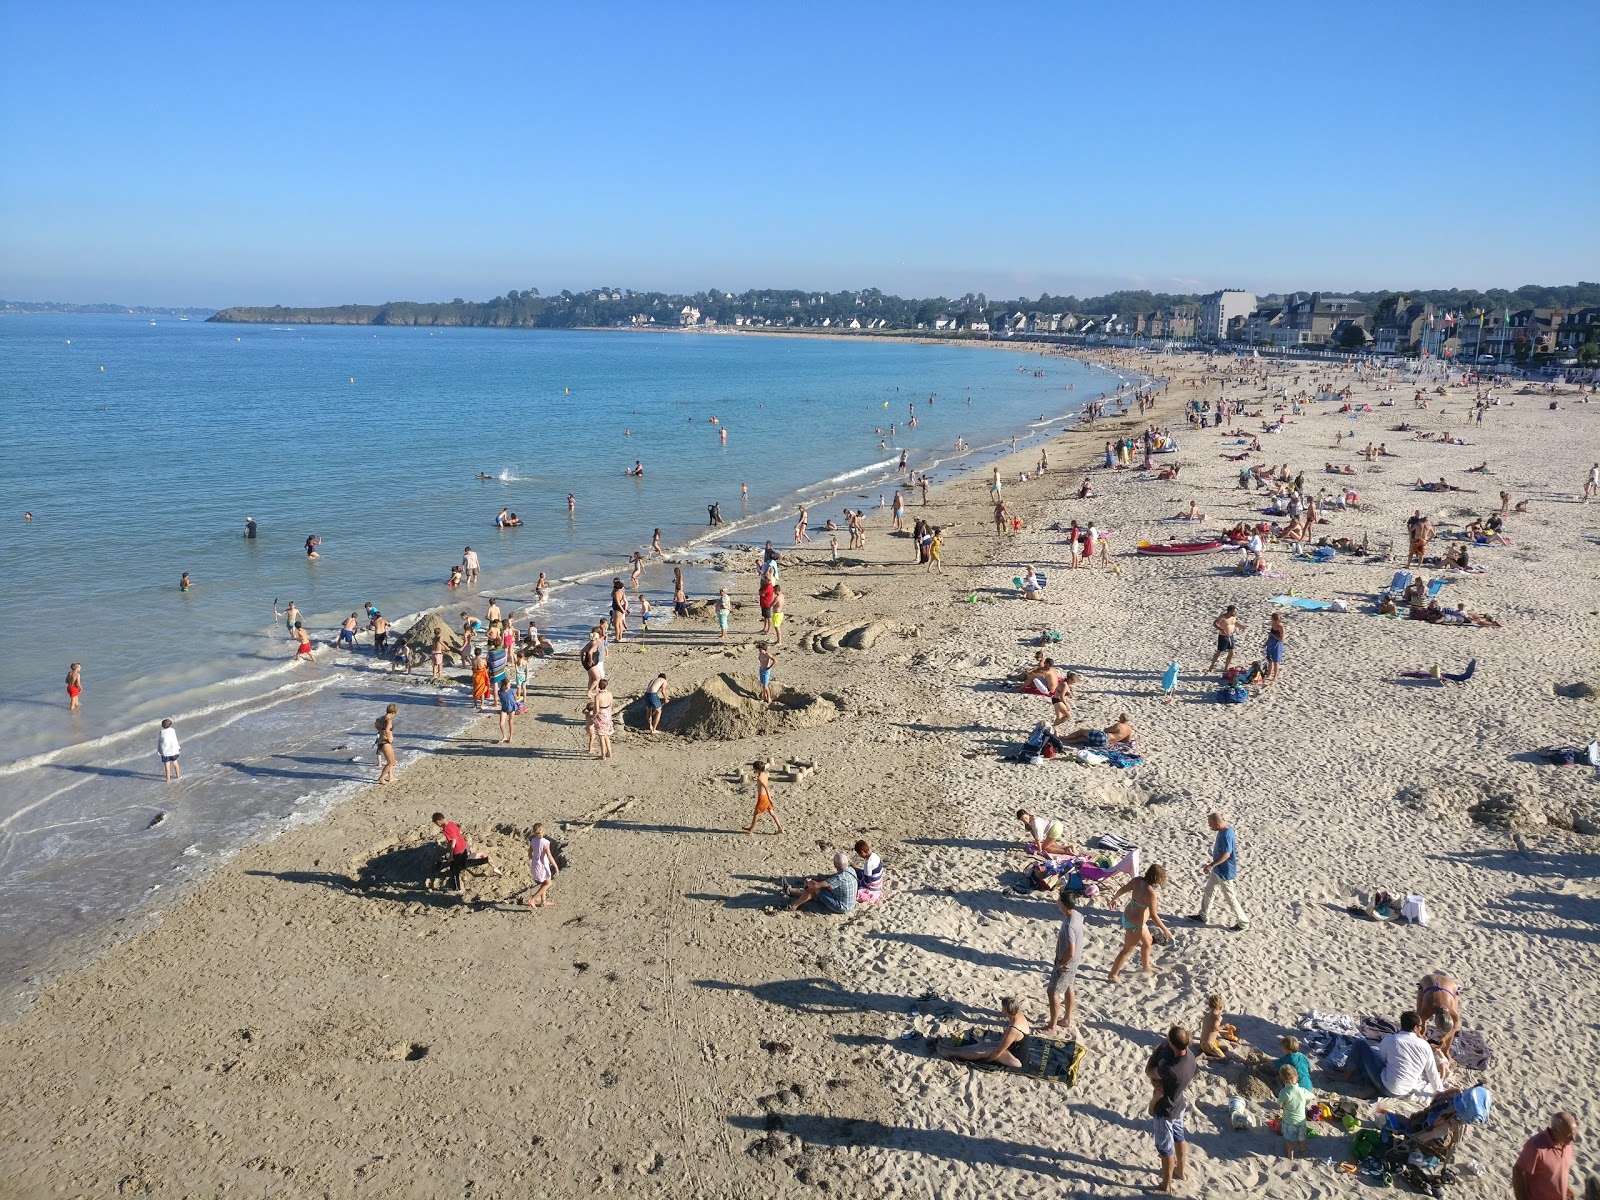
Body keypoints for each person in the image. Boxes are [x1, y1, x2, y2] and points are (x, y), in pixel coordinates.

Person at [1144, 1026, 1199, 1194]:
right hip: (1179, 1103)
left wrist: (1159, 1049)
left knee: (1165, 1148)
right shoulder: (1190, 1056)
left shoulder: (1170, 1070)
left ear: (1171, 1043)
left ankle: (1166, 1185)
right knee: (1179, 1136)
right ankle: (1180, 1171)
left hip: (1166, 1109)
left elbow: (1149, 1070)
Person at [1347, 1010, 1446, 1098]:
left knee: (1360, 1044)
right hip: (1405, 1090)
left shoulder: (1391, 1039)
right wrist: (1440, 1091)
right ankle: (1373, 1088)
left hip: (1386, 1085)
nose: (1421, 1029)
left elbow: (1382, 1060)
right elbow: (1431, 1072)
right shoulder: (1425, 1045)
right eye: (1421, 1026)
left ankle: (1346, 1075)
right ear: (1415, 1028)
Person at [1108, 865, 1172, 982]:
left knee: (1148, 942)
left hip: (1129, 916)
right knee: (1127, 951)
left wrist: (1114, 898)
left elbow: (1123, 889)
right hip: (1135, 925)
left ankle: (1146, 966)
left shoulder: (1137, 880)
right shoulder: (1151, 893)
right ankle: (1113, 974)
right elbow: (1153, 915)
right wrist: (1165, 929)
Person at [937, 996, 1029, 1069]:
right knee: (984, 1044)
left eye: (1003, 1008)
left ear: (1007, 1011)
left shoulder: (1014, 1029)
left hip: (1017, 1060)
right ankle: (953, 1050)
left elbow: (997, 1052)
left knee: (984, 1051)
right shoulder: (1018, 1014)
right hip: (1014, 1048)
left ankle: (951, 1052)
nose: (1001, 1010)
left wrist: (986, 1060)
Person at [1193, 811, 1248, 930]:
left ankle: (1243, 923)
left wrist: (1211, 865)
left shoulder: (1226, 835)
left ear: (1217, 824)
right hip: (1218, 870)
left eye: (1210, 824)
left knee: (1230, 898)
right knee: (1209, 890)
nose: (1209, 826)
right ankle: (1203, 915)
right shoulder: (1224, 830)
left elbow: (1227, 854)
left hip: (1225, 872)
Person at [1045, 888, 1085, 1036]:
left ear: (1064, 905)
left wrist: (1061, 963)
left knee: (1052, 992)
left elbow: (1071, 950)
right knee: (1069, 986)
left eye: (1059, 901)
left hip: (1067, 964)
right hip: (1075, 962)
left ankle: (1052, 1026)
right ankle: (1067, 1019)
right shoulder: (1078, 915)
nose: (1057, 903)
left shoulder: (1069, 926)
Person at [1512, 1112, 1578, 1200]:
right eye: (1569, 1135)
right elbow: (1518, 1171)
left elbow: (1559, 1170)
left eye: (1574, 1134)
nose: (1573, 1139)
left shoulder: (1568, 1143)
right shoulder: (1535, 1147)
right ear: (1555, 1130)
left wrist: (1566, 1188)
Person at [432, 812, 499, 894]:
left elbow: (453, 840)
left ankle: (457, 889)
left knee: (454, 869)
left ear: (439, 821)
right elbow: (459, 832)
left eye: (436, 823)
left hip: (457, 850)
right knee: (465, 863)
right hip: (463, 846)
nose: (437, 825)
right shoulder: (451, 823)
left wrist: (451, 854)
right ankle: (484, 860)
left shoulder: (446, 829)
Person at [786, 851, 858, 913]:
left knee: (815, 889)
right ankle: (792, 891)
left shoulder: (839, 878)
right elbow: (831, 877)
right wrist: (816, 877)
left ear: (836, 864)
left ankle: (794, 906)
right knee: (819, 891)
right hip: (850, 904)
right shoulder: (850, 870)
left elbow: (816, 885)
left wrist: (808, 883)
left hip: (841, 906)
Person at [1415, 972, 1462, 1057]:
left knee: (1448, 1030)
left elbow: (1454, 1028)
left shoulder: (1454, 1013)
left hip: (1451, 986)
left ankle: (1446, 1052)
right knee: (1420, 1019)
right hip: (1429, 981)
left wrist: (1444, 1038)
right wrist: (1421, 1036)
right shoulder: (1428, 1008)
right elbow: (1417, 1024)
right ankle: (1421, 1042)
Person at [1277, 1064, 1313, 1160]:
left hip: (1289, 1121)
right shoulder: (1302, 1091)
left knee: (1290, 1140)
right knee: (1301, 1139)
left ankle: (1290, 1154)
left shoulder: (1284, 1092)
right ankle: (1303, 1151)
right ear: (1296, 1078)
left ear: (1283, 1080)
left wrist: (1283, 1105)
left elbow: (1279, 1103)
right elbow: (1312, 1096)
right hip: (1301, 1121)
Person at [525, 823, 558, 909]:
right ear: (543, 831)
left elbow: (529, 853)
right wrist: (556, 867)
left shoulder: (533, 840)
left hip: (536, 864)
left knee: (543, 882)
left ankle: (543, 902)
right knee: (548, 883)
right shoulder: (546, 842)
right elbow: (549, 856)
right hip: (543, 865)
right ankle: (533, 899)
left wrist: (534, 859)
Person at [746, 760, 782, 834]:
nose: (754, 770)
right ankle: (780, 828)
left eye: (754, 769)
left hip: (763, 797)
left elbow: (766, 787)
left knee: (756, 813)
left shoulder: (760, 778)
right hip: (765, 797)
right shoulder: (764, 774)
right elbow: (763, 781)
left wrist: (770, 798)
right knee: (772, 812)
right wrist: (757, 779)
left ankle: (751, 829)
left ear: (758, 769)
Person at [1060, 713, 1134, 749]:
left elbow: (1105, 730)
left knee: (1081, 731)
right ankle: (1065, 742)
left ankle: (1064, 738)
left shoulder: (1119, 725)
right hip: (1105, 743)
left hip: (1103, 737)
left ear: (1121, 719)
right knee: (1081, 739)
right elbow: (1127, 740)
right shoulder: (1130, 730)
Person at [1208, 605, 1241, 674]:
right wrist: (1221, 629)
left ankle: (1226, 667)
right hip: (1223, 637)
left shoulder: (1234, 617)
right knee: (1219, 652)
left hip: (1231, 636)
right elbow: (1215, 623)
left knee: (1231, 653)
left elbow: (1234, 623)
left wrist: (1242, 626)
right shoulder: (1222, 617)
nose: (1235, 613)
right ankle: (1211, 666)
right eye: (1234, 611)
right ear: (1230, 611)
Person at [1197, 993, 1230, 1060]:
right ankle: (1206, 1057)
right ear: (1220, 1007)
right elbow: (1215, 1028)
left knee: (1225, 1048)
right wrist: (1224, 1026)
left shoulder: (1207, 1015)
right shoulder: (1218, 1017)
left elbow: (1210, 1029)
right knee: (1224, 1059)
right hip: (1209, 1045)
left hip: (1202, 1043)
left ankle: (1207, 1051)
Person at [592, 677, 614, 760]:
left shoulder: (598, 696)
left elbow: (596, 709)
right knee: (606, 735)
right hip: (608, 713)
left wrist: (593, 716)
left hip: (601, 715)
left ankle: (603, 755)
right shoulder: (610, 694)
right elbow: (611, 705)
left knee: (601, 736)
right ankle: (609, 752)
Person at [375, 703, 397, 784]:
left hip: (381, 741)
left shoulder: (381, 718)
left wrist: (381, 732)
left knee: (390, 760)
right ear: (393, 712)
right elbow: (387, 730)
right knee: (391, 762)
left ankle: (391, 777)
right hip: (386, 742)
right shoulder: (389, 719)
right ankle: (381, 778)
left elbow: (376, 724)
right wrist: (389, 739)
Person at [1263, 612, 1285, 682]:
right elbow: (1270, 635)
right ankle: (1269, 674)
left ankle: (1275, 676)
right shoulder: (1273, 624)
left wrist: (1273, 635)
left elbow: (1281, 639)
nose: (1271, 620)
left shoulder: (1281, 627)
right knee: (1270, 660)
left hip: (1277, 645)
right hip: (1270, 643)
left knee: (1276, 662)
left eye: (1272, 618)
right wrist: (1266, 643)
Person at [497, 677, 517, 744]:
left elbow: (515, 697)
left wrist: (514, 703)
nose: (510, 686)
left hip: (512, 708)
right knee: (501, 723)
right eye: (508, 685)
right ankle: (504, 736)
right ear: (504, 686)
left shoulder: (512, 690)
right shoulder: (500, 692)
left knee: (510, 722)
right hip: (504, 708)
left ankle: (511, 737)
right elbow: (501, 700)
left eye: (510, 685)